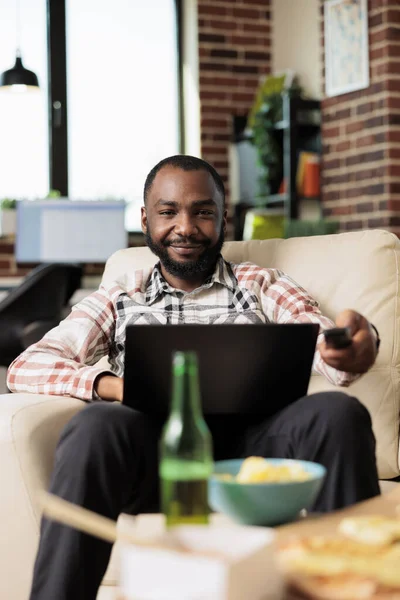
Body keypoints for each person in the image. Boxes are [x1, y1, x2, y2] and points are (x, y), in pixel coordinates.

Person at [7, 155, 380, 600]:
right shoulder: (119, 295)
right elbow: (27, 365)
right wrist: (115, 386)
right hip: (161, 456)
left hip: (258, 455)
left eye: (203, 212)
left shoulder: (261, 283)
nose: (185, 227)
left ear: (225, 218)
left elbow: (322, 340)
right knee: (95, 425)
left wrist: (354, 348)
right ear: (146, 219)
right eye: (168, 212)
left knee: (338, 413)